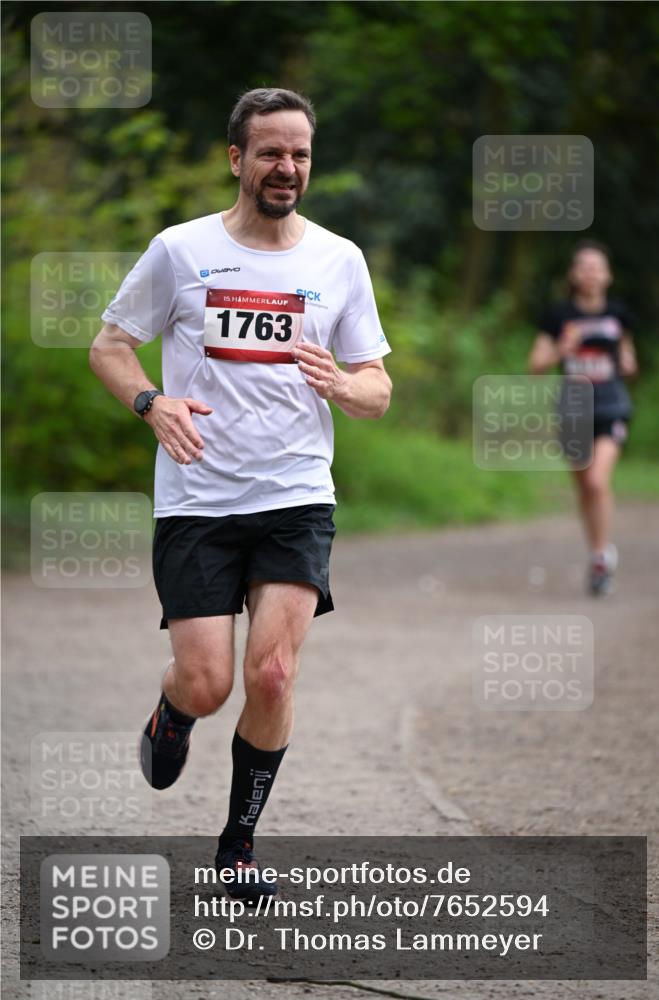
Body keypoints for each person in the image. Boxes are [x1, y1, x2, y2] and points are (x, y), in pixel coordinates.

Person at [89, 88, 392, 900]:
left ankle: (239, 841)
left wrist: (343, 385)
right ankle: (172, 712)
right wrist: (151, 403)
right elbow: (110, 346)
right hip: (197, 498)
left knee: (274, 677)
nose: (286, 167)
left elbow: (377, 388)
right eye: (269, 152)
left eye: (298, 153)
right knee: (209, 682)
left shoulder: (337, 260)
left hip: (295, 494)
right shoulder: (179, 251)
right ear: (236, 159)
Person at [528, 240, 638, 595]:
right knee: (583, 487)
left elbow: (628, 360)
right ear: (574, 275)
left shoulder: (618, 316)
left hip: (611, 408)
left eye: (597, 267)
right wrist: (562, 350)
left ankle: (602, 557)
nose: (591, 273)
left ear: (608, 275)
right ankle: (597, 553)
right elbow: (536, 366)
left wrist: (627, 364)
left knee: (596, 482)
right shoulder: (558, 316)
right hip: (573, 410)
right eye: (584, 267)